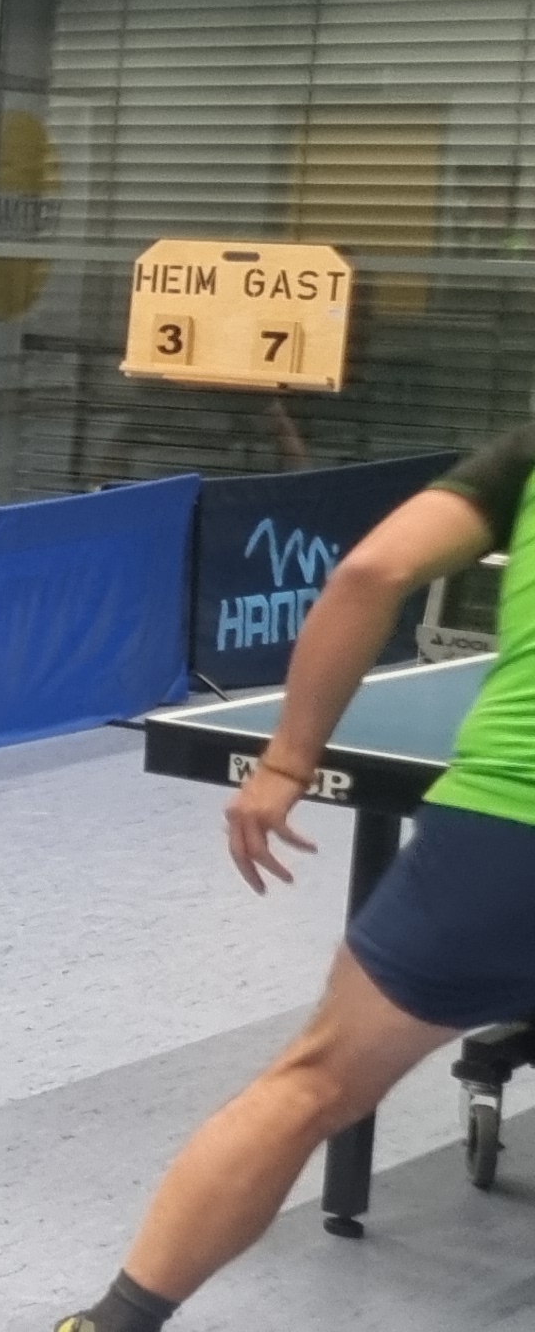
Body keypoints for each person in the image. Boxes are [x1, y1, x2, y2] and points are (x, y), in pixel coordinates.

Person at [50, 427, 535, 1331]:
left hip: (505, 833)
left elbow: (370, 573)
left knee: (310, 1083)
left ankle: (114, 1323)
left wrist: (285, 762)